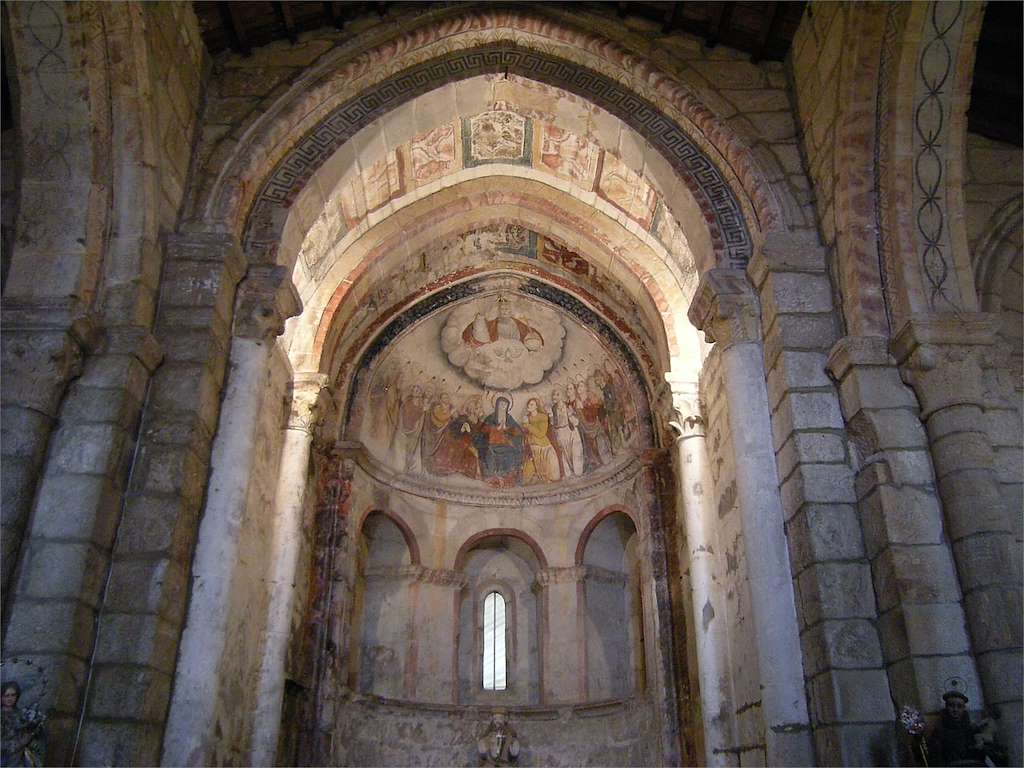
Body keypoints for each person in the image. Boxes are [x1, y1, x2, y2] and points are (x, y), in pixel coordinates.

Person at [927, 688, 1005, 767]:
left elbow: (996, 757)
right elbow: (935, 760)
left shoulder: (973, 730)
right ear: (946, 707)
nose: (955, 710)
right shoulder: (939, 733)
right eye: (951, 705)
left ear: (963, 708)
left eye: (959, 706)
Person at [475, 397, 524, 487]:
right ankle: (490, 477)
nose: (503, 407)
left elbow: (518, 431)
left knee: (511, 454)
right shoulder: (491, 417)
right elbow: (483, 430)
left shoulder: (509, 418)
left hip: (506, 445)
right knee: (489, 454)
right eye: (501, 404)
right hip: (491, 444)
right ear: (497, 405)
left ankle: (506, 477)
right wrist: (495, 429)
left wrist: (507, 429)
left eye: (505, 405)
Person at [1, 682, 44, 767]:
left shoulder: (22, 714)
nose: (10, 698)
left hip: (22, 758)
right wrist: (21, 742)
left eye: (13, 695)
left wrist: (35, 730)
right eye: (7, 695)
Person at [521, 398, 561, 484]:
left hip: (544, 447)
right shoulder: (526, 418)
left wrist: (528, 425)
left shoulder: (543, 417)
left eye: (531, 404)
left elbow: (541, 434)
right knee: (526, 478)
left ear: (536, 406)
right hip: (532, 447)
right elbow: (525, 434)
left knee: (552, 475)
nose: (529, 406)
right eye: (528, 404)